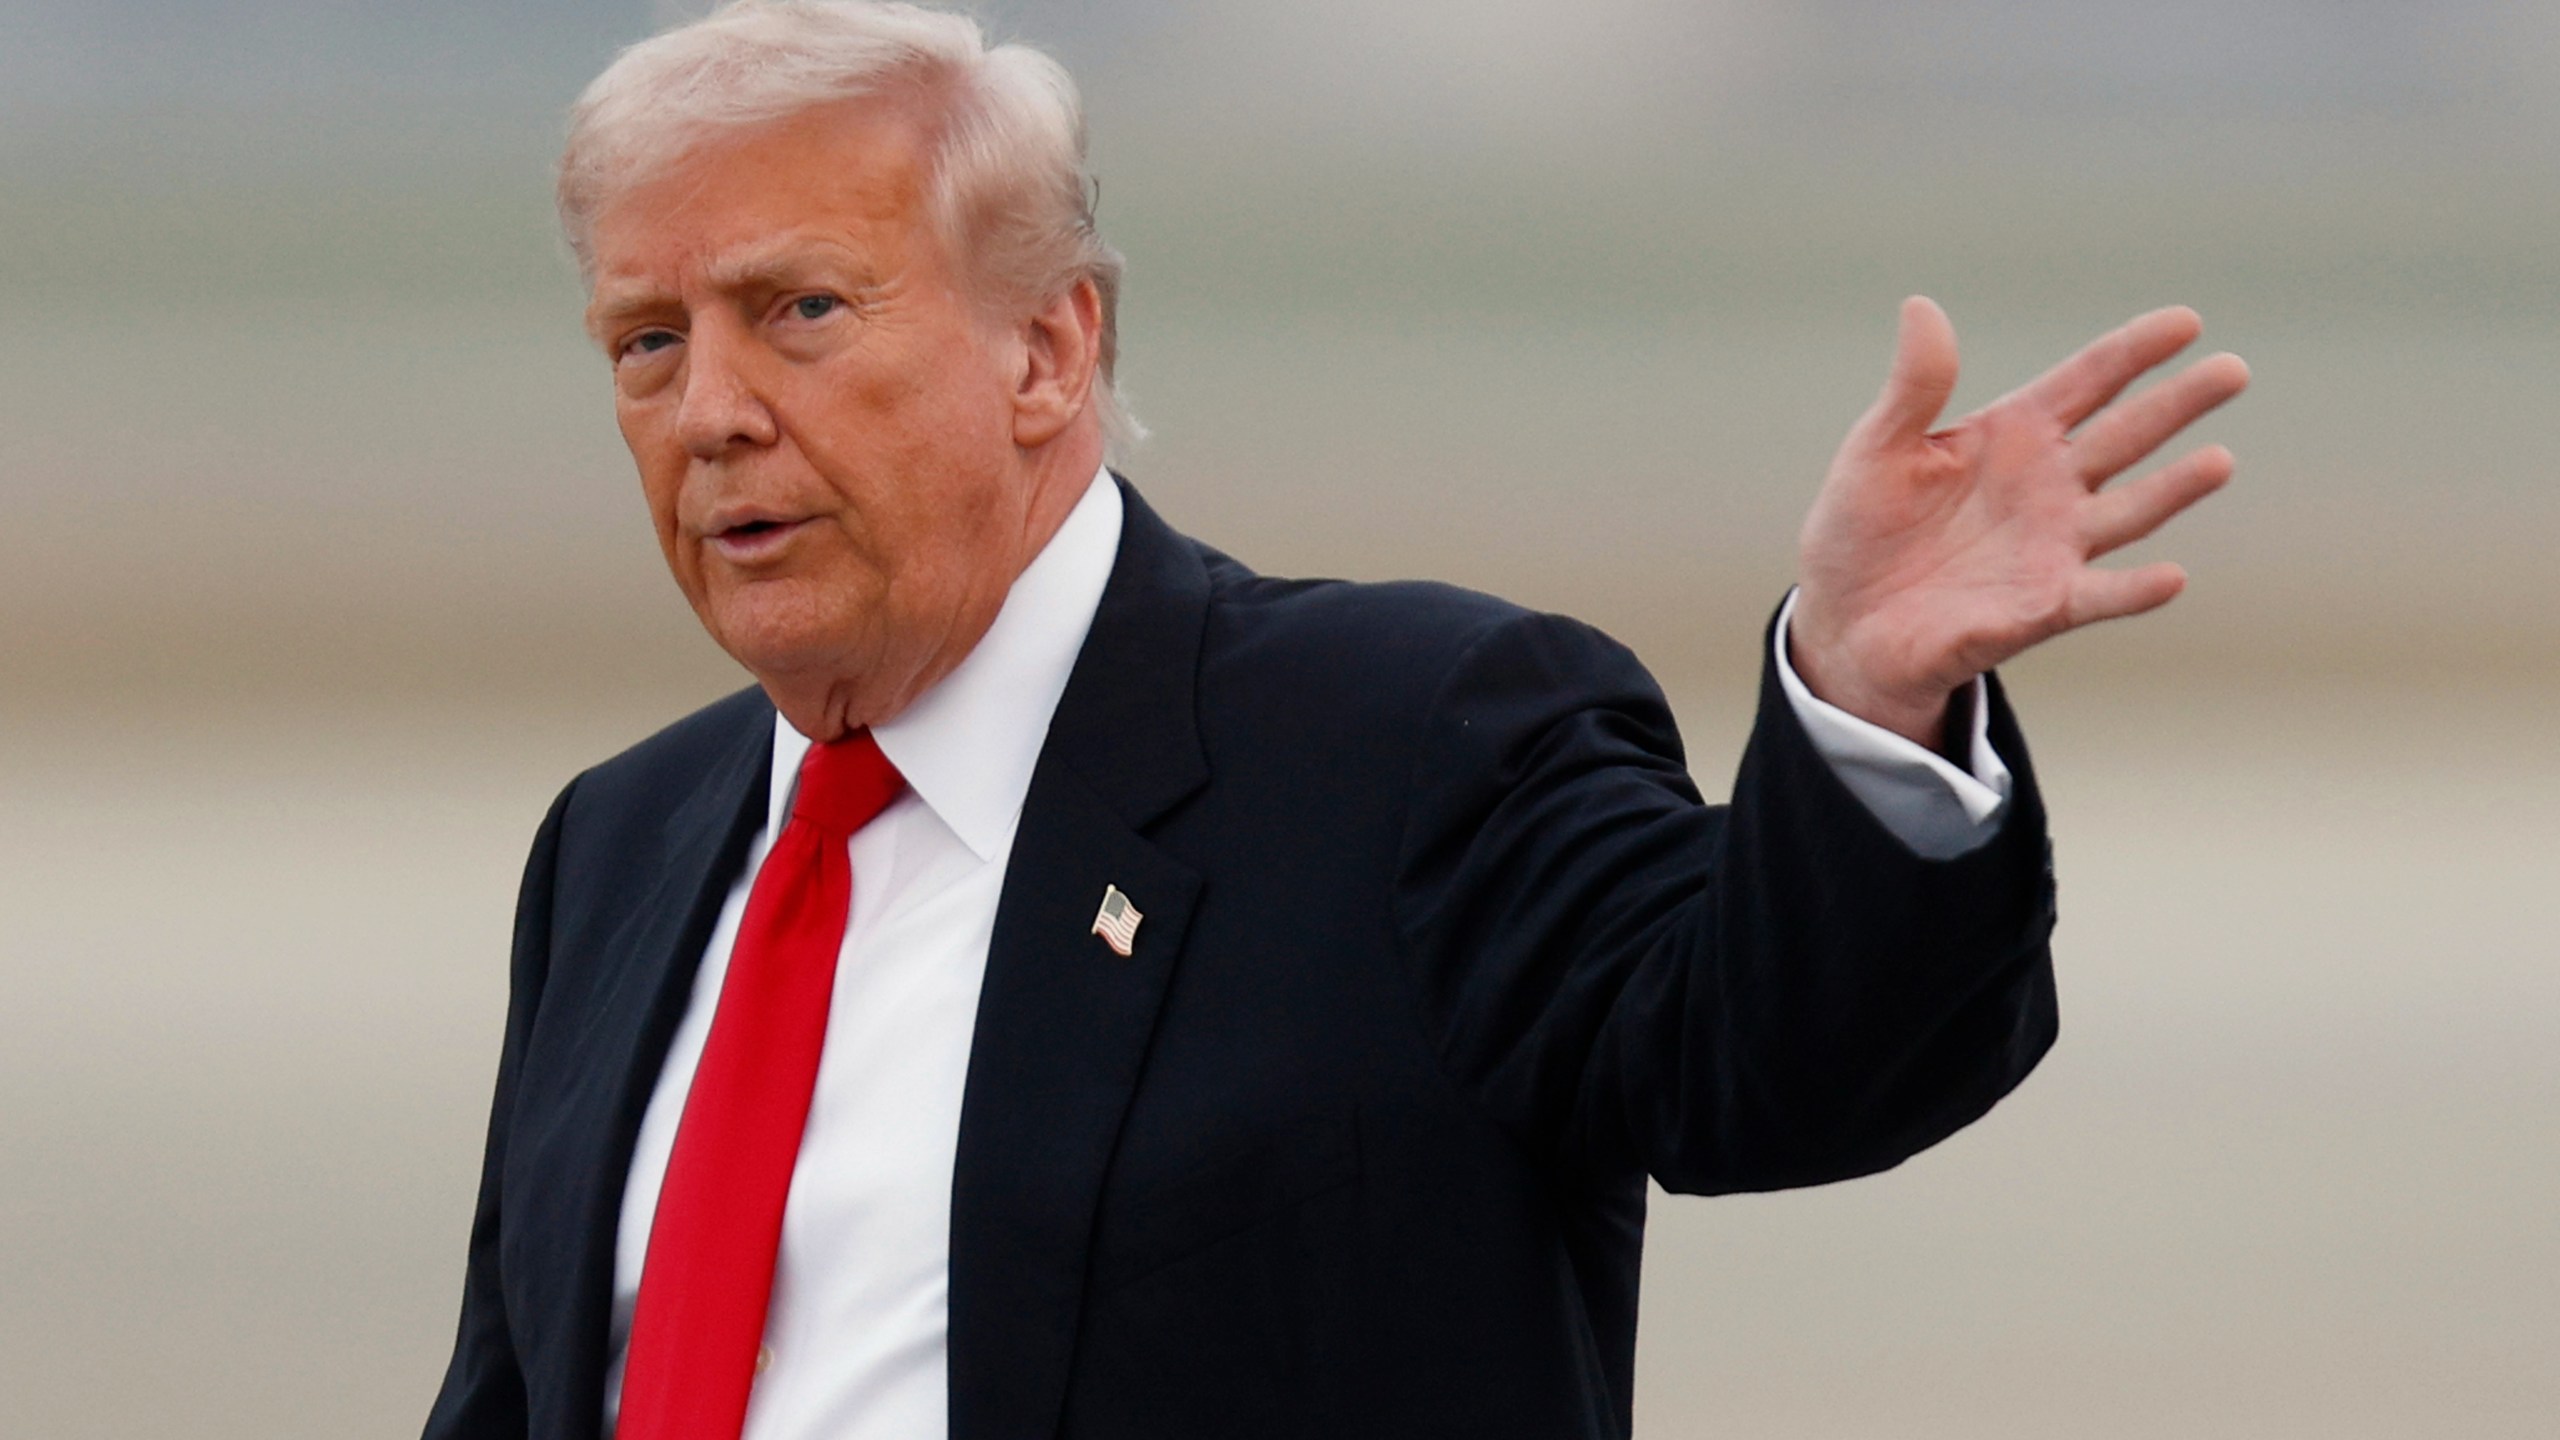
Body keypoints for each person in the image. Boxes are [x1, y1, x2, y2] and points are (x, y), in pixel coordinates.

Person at [422, 4, 2249, 1438]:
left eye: (798, 310)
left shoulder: (1399, 743)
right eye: (646, 343)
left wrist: (1868, 698)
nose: (710, 410)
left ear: (1049, 351)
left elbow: (1767, 1057)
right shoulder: (626, 847)